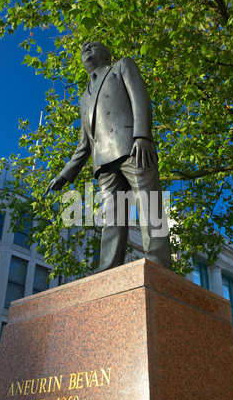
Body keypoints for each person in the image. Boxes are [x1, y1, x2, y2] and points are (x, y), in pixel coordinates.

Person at [46, 41, 172, 272]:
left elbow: (140, 98)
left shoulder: (122, 66)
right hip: (103, 162)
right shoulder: (84, 97)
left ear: (106, 54)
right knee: (112, 217)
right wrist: (65, 175)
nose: (85, 48)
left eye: (92, 46)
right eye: (83, 48)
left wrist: (142, 136)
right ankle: (108, 268)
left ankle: (158, 264)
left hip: (132, 148)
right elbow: (85, 143)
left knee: (149, 203)